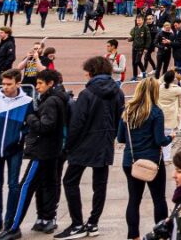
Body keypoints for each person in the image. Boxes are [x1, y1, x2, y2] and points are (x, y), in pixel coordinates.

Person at [56, 56, 124, 240]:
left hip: (84, 143)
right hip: (104, 142)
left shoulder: (87, 93)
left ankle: (77, 223)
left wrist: (68, 145)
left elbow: (77, 123)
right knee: (100, 185)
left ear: (92, 72)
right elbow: (119, 117)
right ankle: (93, 222)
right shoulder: (118, 92)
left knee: (70, 181)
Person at [0, 69, 69, 240]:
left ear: (50, 84)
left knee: (25, 187)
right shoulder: (58, 98)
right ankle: (47, 218)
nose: (37, 87)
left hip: (43, 152)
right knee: (49, 184)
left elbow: (45, 126)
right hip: (52, 151)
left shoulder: (51, 101)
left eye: (40, 83)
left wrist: (30, 118)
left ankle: (14, 226)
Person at [116, 77, 172, 240]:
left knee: (134, 199)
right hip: (152, 161)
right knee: (159, 199)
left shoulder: (127, 110)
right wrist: (171, 138)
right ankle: (161, 234)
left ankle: (133, 235)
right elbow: (159, 140)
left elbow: (120, 138)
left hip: (131, 161)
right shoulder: (155, 112)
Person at [0, 69, 33, 235]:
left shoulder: (27, 101)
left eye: (9, 84)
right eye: (3, 84)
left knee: (13, 185)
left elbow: (29, 125)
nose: (5, 87)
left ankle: (10, 220)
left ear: (18, 83)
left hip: (14, 149)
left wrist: (18, 136)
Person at [158, 70, 181, 163]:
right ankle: (166, 157)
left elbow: (158, 81)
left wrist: (166, 74)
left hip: (160, 115)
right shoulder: (175, 89)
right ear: (173, 79)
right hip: (170, 116)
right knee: (168, 137)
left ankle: (159, 155)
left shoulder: (159, 87)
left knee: (159, 135)